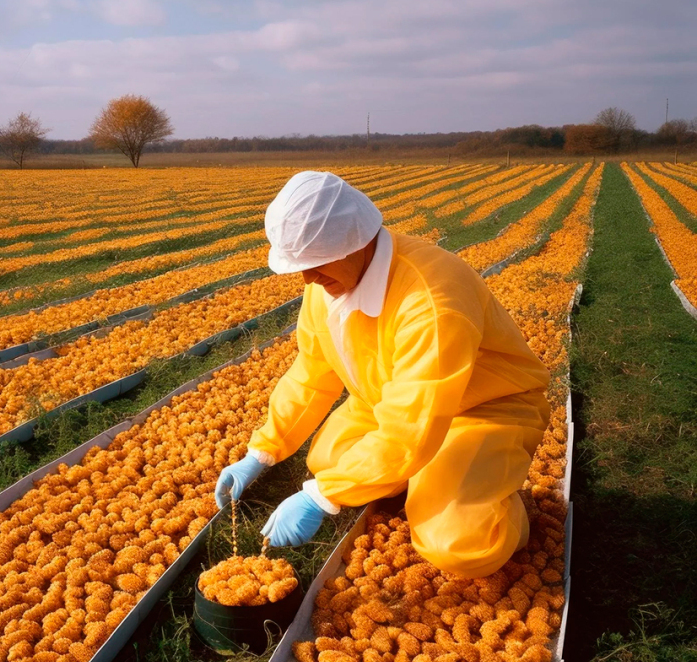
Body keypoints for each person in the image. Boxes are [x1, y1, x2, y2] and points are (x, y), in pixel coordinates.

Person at [215, 171, 550, 581]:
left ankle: (509, 511)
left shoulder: (430, 300)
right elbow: (311, 374)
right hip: (388, 402)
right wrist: (261, 453)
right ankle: (419, 476)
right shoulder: (329, 283)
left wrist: (323, 496)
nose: (307, 278)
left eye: (315, 265)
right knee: (328, 460)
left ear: (354, 242)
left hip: (482, 409)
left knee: (461, 544)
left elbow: (412, 425)